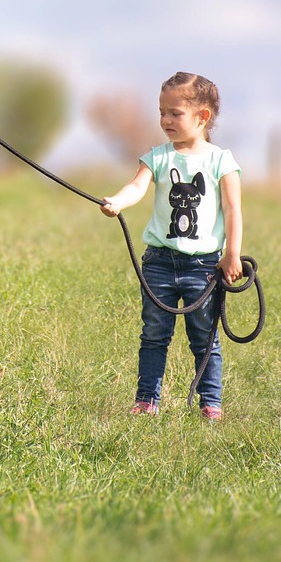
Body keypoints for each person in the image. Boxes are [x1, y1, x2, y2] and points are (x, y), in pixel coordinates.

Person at [100, 71, 243, 420]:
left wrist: (232, 254)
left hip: (204, 267)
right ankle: (147, 401)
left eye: (175, 113)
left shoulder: (220, 161)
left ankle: (211, 404)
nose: (165, 120)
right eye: (161, 111)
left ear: (202, 117)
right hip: (159, 263)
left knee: (204, 339)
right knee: (153, 334)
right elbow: (136, 187)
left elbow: (233, 209)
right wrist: (117, 201)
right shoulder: (158, 157)